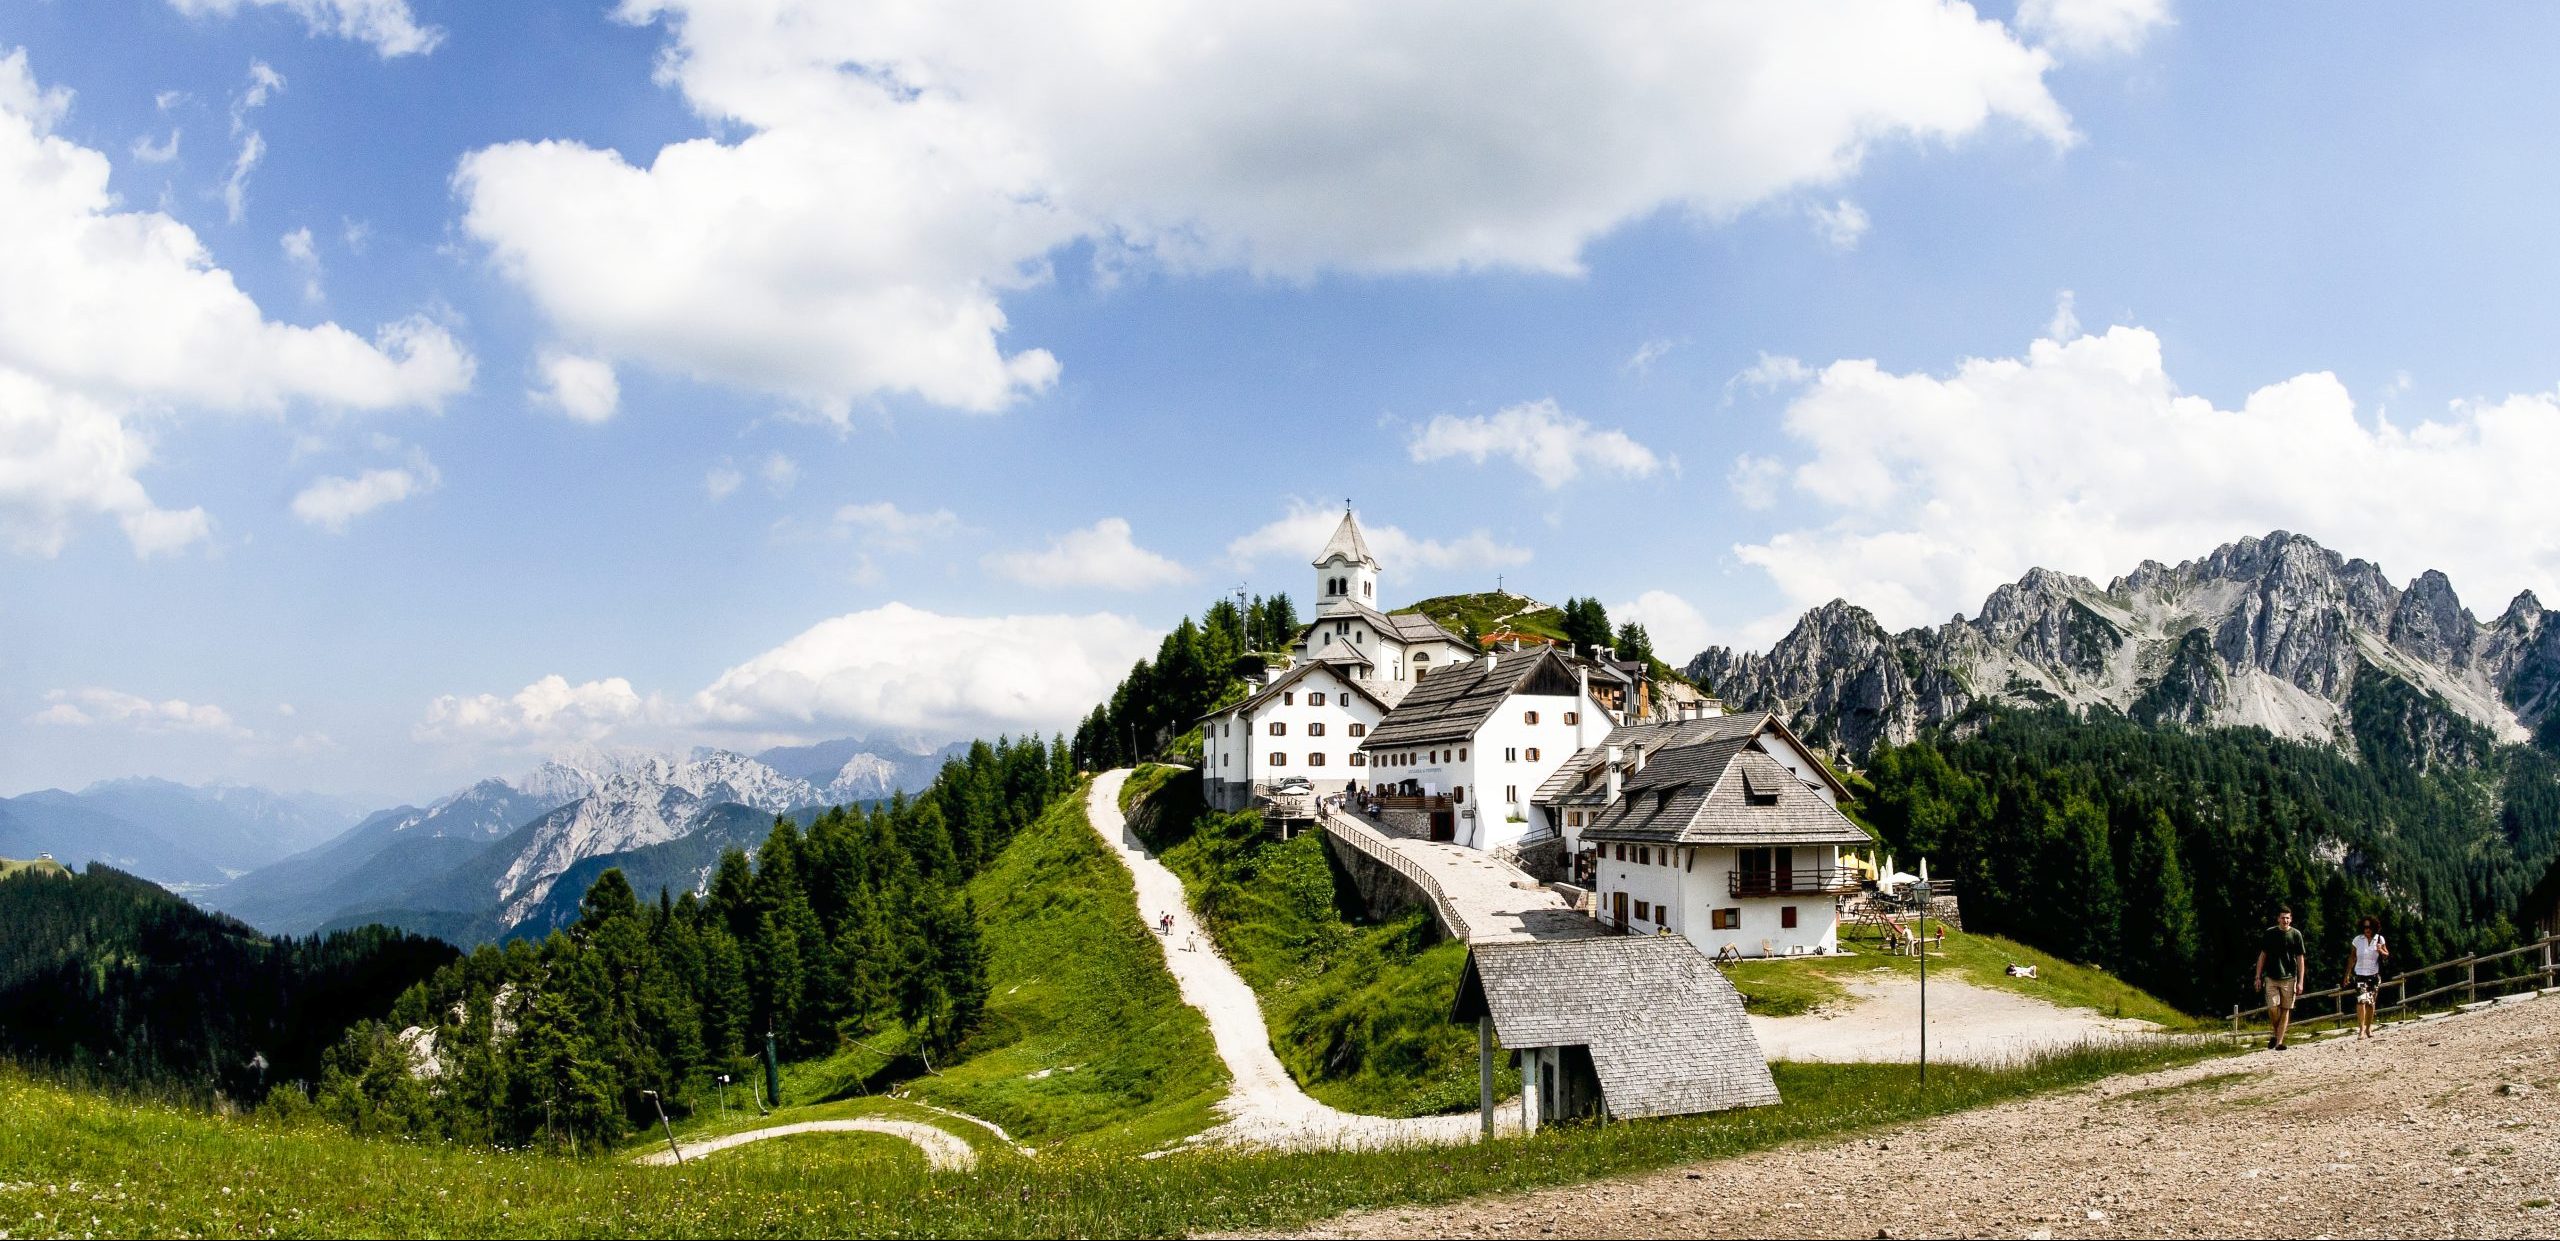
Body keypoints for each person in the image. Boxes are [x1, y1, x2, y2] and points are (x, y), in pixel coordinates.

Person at [2253, 906, 2309, 1050]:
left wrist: (2301, 981)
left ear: (2291, 919)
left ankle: (2279, 1042)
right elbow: (2262, 956)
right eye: (2283, 917)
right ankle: (2276, 1033)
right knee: (2273, 1008)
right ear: (2278, 918)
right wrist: (2257, 976)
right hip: (2271, 976)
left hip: (2289, 977)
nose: (2285, 920)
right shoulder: (2270, 933)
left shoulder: (2296, 935)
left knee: (2285, 1009)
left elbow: (2300, 959)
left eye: (2287, 917)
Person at [2345, 916, 2389, 1040]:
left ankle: (2369, 1027)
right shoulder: (2357, 940)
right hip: (2360, 975)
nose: (2367, 929)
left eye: (2369, 927)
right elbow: (2352, 957)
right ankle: (2361, 1030)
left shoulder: (2380, 939)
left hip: (2374, 975)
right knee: (2361, 1000)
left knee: (2370, 1002)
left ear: (2374, 927)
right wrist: (2347, 974)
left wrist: (2381, 950)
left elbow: (2387, 955)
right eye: (2365, 927)